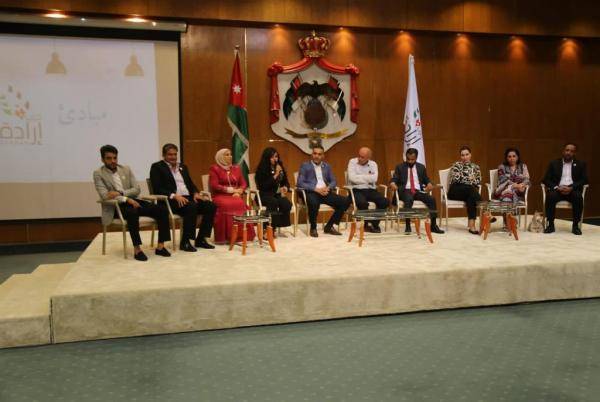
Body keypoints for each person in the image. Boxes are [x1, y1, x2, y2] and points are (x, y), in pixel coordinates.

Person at [94, 145, 171, 261]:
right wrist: (126, 199)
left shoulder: (126, 169)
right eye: (109, 158)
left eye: (115, 158)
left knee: (162, 210)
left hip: (133, 200)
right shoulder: (98, 173)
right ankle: (137, 249)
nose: (113, 161)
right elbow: (105, 195)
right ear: (102, 159)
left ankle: (160, 247)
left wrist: (120, 192)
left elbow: (136, 189)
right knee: (132, 213)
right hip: (115, 206)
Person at [150, 143, 216, 252]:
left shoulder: (182, 167)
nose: (173, 157)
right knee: (191, 207)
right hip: (170, 200)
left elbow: (190, 183)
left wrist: (195, 193)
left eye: (175, 154)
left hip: (188, 198)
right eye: (170, 154)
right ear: (164, 155)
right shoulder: (157, 167)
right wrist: (174, 195)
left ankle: (201, 239)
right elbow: (157, 188)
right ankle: (185, 242)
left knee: (210, 206)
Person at [297, 145, 351, 238]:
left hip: (325, 192)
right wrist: (316, 189)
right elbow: (300, 182)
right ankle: (313, 228)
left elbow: (333, 181)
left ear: (323, 156)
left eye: (319, 154)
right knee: (313, 203)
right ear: (311, 154)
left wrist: (328, 188)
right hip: (312, 192)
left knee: (346, 201)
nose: (316, 156)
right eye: (315, 153)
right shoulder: (305, 166)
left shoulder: (327, 166)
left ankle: (329, 226)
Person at [389, 148, 444, 234]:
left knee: (432, 199)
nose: (410, 161)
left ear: (416, 158)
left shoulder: (421, 167)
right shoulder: (400, 167)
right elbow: (395, 178)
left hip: (418, 191)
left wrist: (429, 183)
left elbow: (426, 179)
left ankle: (433, 226)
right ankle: (408, 225)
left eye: (412, 159)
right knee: (408, 199)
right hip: (405, 191)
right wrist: (392, 183)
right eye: (408, 159)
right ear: (406, 157)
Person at [209, 148, 255, 244]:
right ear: (220, 157)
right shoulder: (214, 168)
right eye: (227, 155)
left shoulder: (236, 168)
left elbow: (243, 183)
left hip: (235, 195)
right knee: (226, 205)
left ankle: (241, 235)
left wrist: (239, 191)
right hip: (220, 195)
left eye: (230, 154)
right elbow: (214, 185)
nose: (230, 156)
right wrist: (230, 190)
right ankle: (225, 237)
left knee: (240, 203)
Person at [542, 142, 588, 235]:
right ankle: (550, 225)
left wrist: (572, 187)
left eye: (571, 151)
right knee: (550, 196)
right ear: (563, 151)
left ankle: (575, 226)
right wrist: (557, 187)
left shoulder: (581, 164)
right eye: (567, 150)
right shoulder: (554, 163)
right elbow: (546, 179)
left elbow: (584, 180)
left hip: (572, 190)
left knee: (578, 197)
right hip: (558, 190)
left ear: (574, 153)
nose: (568, 152)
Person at [346, 147, 389, 233]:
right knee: (362, 203)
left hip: (370, 189)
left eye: (362, 157)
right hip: (356, 189)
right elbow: (352, 178)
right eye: (359, 155)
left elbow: (374, 179)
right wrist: (368, 178)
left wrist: (359, 177)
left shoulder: (373, 164)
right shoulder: (352, 162)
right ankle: (368, 224)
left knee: (385, 201)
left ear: (368, 158)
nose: (359, 158)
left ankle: (374, 223)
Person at [254, 147, 292, 231]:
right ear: (267, 158)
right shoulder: (261, 169)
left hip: (276, 195)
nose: (275, 159)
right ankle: (268, 228)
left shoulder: (279, 167)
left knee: (286, 203)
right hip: (264, 195)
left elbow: (286, 182)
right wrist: (276, 174)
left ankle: (276, 224)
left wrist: (286, 187)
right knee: (273, 202)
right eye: (272, 157)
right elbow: (263, 186)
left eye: (276, 156)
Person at [447, 146, 482, 234]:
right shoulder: (456, 165)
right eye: (462, 155)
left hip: (468, 192)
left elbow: (478, 181)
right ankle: (486, 211)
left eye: (467, 154)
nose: (465, 157)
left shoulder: (476, 167)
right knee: (471, 189)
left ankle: (472, 227)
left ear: (470, 155)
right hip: (455, 190)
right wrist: (471, 179)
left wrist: (468, 179)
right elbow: (457, 179)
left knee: (471, 197)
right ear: (460, 156)